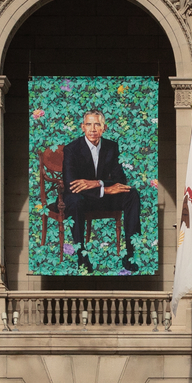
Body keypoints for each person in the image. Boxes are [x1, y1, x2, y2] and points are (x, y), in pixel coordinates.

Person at [56, 108, 143, 270]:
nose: (93, 129)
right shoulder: (71, 149)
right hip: (81, 198)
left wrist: (97, 183)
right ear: (82, 127)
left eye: (97, 125)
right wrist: (106, 189)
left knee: (131, 194)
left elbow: (119, 180)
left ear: (105, 128)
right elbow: (70, 184)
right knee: (74, 200)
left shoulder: (111, 147)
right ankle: (81, 254)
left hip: (102, 198)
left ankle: (130, 254)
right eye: (88, 124)